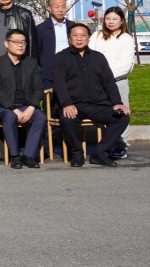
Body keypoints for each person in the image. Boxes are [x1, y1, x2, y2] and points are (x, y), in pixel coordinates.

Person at [53, 24, 130, 167]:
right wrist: (67, 103)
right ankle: (77, 154)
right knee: (68, 118)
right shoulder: (60, 58)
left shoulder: (98, 57)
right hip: (74, 104)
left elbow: (109, 82)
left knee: (122, 117)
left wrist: (117, 103)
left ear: (88, 38)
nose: (79, 39)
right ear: (69, 39)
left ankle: (100, 153)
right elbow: (59, 84)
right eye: (75, 35)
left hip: (97, 104)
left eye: (83, 35)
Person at [0, 29, 45, 168]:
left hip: (26, 105)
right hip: (2, 107)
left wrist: (31, 107)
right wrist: (13, 109)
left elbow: (38, 88)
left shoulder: (32, 63)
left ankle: (28, 156)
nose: (20, 45)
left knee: (40, 117)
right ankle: (15, 156)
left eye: (23, 42)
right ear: (6, 43)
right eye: (16, 42)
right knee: (10, 116)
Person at [88, 7, 135, 160]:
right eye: (108, 18)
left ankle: (121, 146)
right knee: (103, 114)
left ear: (122, 21)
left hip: (117, 82)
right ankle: (105, 146)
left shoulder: (126, 39)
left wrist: (104, 76)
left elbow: (124, 65)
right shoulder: (96, 36)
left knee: (121, 114)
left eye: (115, 19)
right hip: (97, 84)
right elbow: (89, 57)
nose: (111, 21)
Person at [36, 0, 77, 91]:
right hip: (49, 73)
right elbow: (37, 51)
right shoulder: (41, 29)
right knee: (50, 98)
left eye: (63, 7)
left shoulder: (73, 27)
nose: (60, 10)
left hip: (71, 71)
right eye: (57, 7)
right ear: (50, 8)